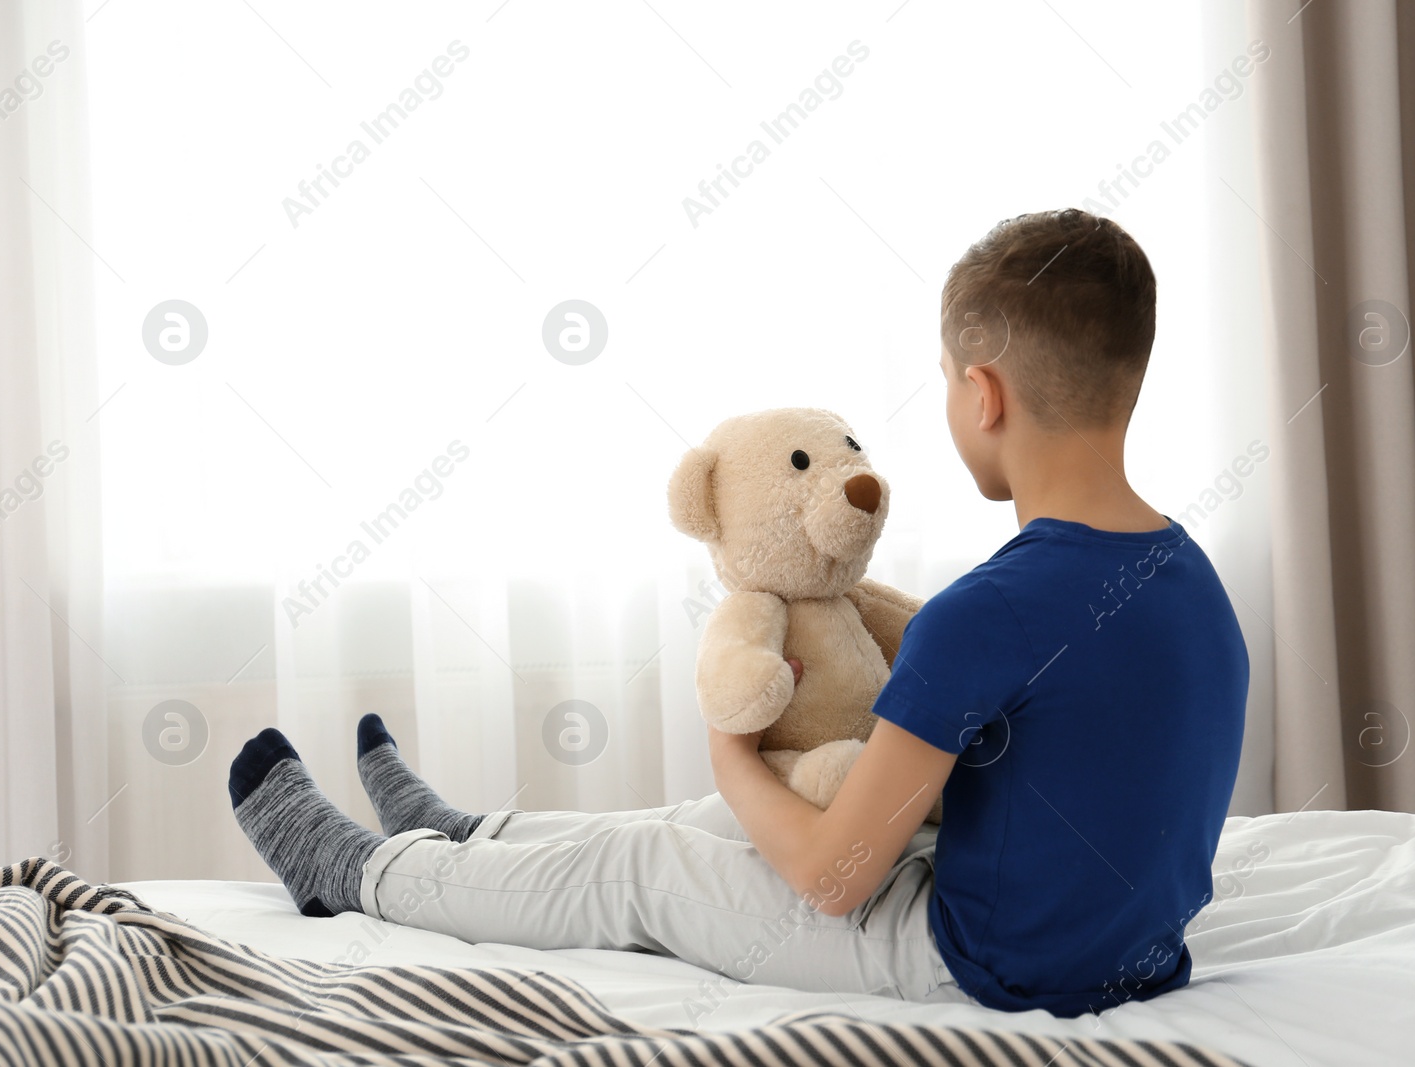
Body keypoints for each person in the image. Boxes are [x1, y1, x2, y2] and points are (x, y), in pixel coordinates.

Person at [229, 208, 1249, 1017]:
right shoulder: (1196, 583)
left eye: (943, 381)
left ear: (981, 392)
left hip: (988, 960)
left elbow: (836, 880)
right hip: (1122, 952)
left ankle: (356, 873)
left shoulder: (986, 612)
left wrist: (732, 749)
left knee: (654, 857)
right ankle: (467, 834)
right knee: (717, 826)